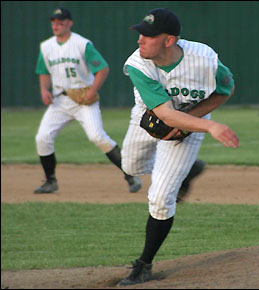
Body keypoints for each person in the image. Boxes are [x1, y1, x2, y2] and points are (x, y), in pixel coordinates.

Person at [117, 8, 239, 286]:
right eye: (140, 34)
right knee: (131, 167)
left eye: (148, 36)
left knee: (160, 198)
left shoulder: (205, 59)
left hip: (192, 123)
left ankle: (144, 264)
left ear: (169, 40)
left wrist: (196, 121)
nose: (140, 40)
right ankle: (189, 170)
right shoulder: (138, 64)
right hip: (146, 117)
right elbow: (166, 115)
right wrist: (212, 126)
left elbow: (226, 88)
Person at [34, 8, 142, 194]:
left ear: (70, 23)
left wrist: (92, 91)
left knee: (97, 136)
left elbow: (103, 68)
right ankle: (50, 181)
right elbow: (43, 71)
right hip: (60, 101)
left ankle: (129, 174)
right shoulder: (46, 46)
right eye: (53, 22)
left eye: (60, 22)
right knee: (42, 138)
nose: (56, 25)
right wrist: (44, 89)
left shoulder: (82, 44)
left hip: (84, 100)